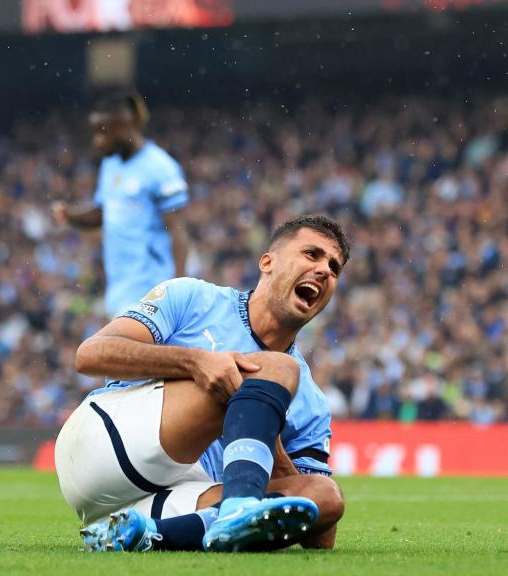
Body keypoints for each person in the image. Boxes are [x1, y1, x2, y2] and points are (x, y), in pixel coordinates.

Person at [55, 215, 349, 552]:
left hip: (176, 496)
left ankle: (148, 534)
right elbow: (90, 355)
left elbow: (319, 533)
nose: (325, 270)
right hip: (102, 449)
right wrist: (195, 362)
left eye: (334, 268)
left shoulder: (310, 402)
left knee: (327, 495)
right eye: (312, 254)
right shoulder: (193, 297)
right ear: (268, 262)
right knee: (274, 369)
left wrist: (267, 428)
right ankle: (237, 508)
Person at [52, 89, 190, 317]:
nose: (97, 140)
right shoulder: (111, 165)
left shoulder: (160, 169)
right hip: (119, 288)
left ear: (125, 126)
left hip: (151, 288)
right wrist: (69, 215)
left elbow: (178, 233)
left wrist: (181, 293)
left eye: (104, 131)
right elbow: (103, 213)